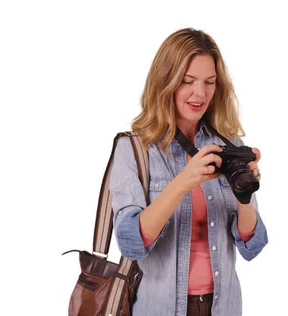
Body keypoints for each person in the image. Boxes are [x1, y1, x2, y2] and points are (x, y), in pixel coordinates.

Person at [109, 28, 268, 316]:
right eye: (188, 81)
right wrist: (183, 182)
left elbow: (251, 246)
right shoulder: (134, 149)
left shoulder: (228, 145)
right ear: (166, 82)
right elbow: (131, 242)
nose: (201, 92)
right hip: (158, 308)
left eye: (210, 82)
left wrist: (245, 193)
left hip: (223, 307)